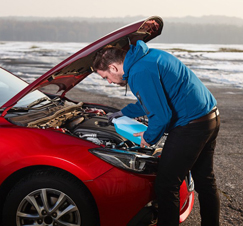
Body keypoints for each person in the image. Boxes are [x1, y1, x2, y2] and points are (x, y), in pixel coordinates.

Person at [92, 39, 221, 226]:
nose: (110, 82)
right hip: (210, 117)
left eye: (106, 77)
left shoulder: (139, 71)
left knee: (167, 185)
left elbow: (161, 115)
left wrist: (148, 137)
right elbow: (151, 100)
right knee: (205, 181)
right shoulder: (147, 57)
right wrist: (124, 112)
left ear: (113, 67)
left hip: (191, 125)